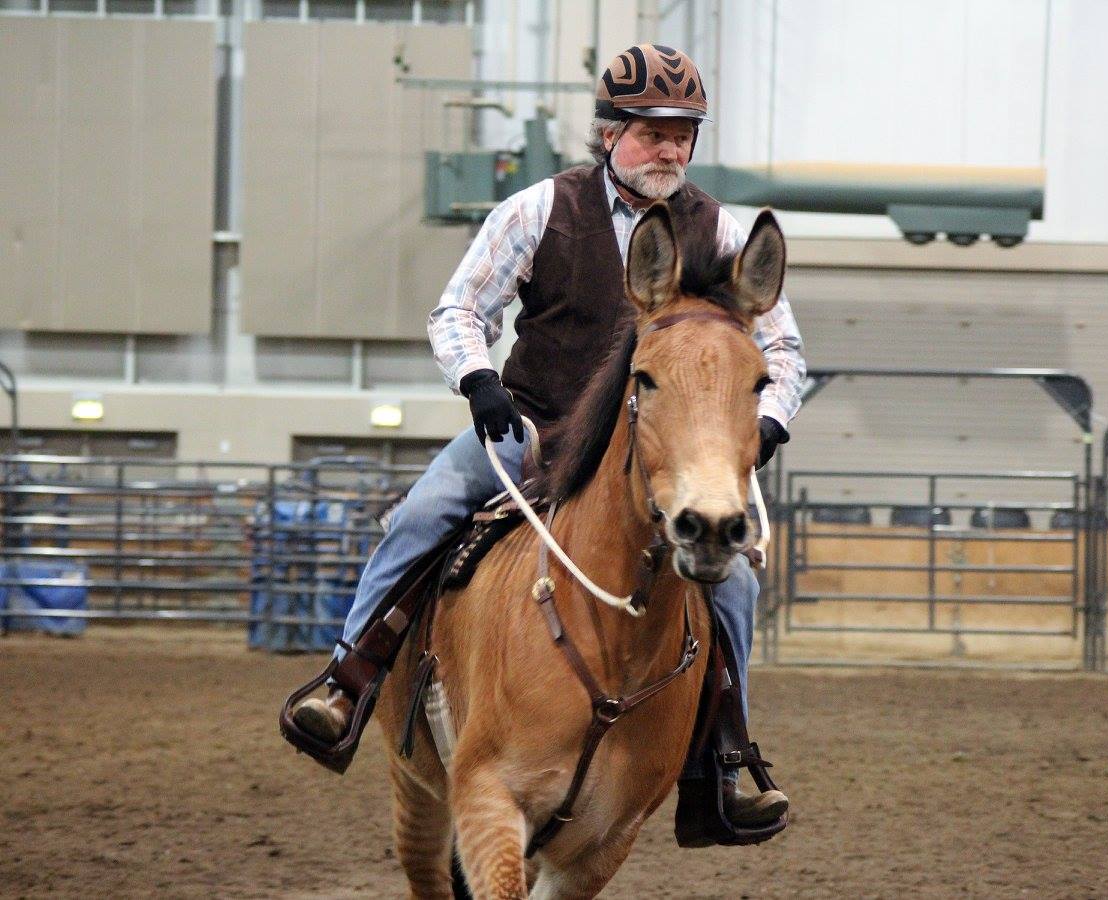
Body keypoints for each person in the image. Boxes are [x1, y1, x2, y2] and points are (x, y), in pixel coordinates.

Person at [287, 43, 806, 829]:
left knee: (732, 581)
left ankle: (726, 755)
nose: (669, 148)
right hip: (530, 431)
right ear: (609, 134)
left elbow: (783, 349)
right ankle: (348, 678)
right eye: (651, 130)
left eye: (682, 133)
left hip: (655, 456)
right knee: (424, 513)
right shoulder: (537, 209)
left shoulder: (724, 232)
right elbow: (458, 310)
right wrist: (478, 379)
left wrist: (767, 420)